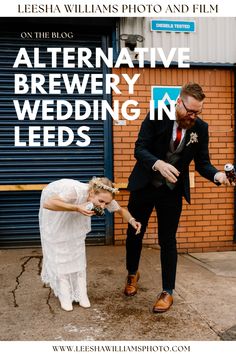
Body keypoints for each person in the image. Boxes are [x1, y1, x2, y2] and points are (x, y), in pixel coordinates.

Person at [124, 82, 231, 313]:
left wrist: (218, 175)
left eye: (197, 112)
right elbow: (139, 148)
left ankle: (167, 291)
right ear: (178, 102)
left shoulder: (200, 128)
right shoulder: (156, 115)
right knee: (135, 232)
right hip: (143, 186)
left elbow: (203, 164)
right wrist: (158, 163)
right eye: (189, 110)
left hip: (171, 192)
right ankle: (132, 273)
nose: (192, 116)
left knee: (168, 240)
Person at [39, 177, 141, 312]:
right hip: (58, 209)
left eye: (107, 203)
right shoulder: (75, 191)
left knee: (77, 249)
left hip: (77, 210)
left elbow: (121, 210)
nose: (103, 206)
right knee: (61, 250)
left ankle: (81, 294)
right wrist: (76, 207)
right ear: (92, 193)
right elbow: (48, 203)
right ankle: (64, 294)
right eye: (101, 202)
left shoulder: (105, 196)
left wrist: (132, 220)